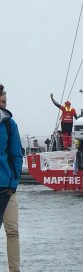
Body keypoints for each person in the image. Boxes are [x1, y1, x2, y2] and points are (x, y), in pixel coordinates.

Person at [0, 84, 23, 272]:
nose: (3, 105)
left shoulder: (9, 124)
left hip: (8, 188)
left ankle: (15, 270)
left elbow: (17, 155)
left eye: (4, 101)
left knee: (12, 231)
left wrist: (14, 183)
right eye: (0, 101)